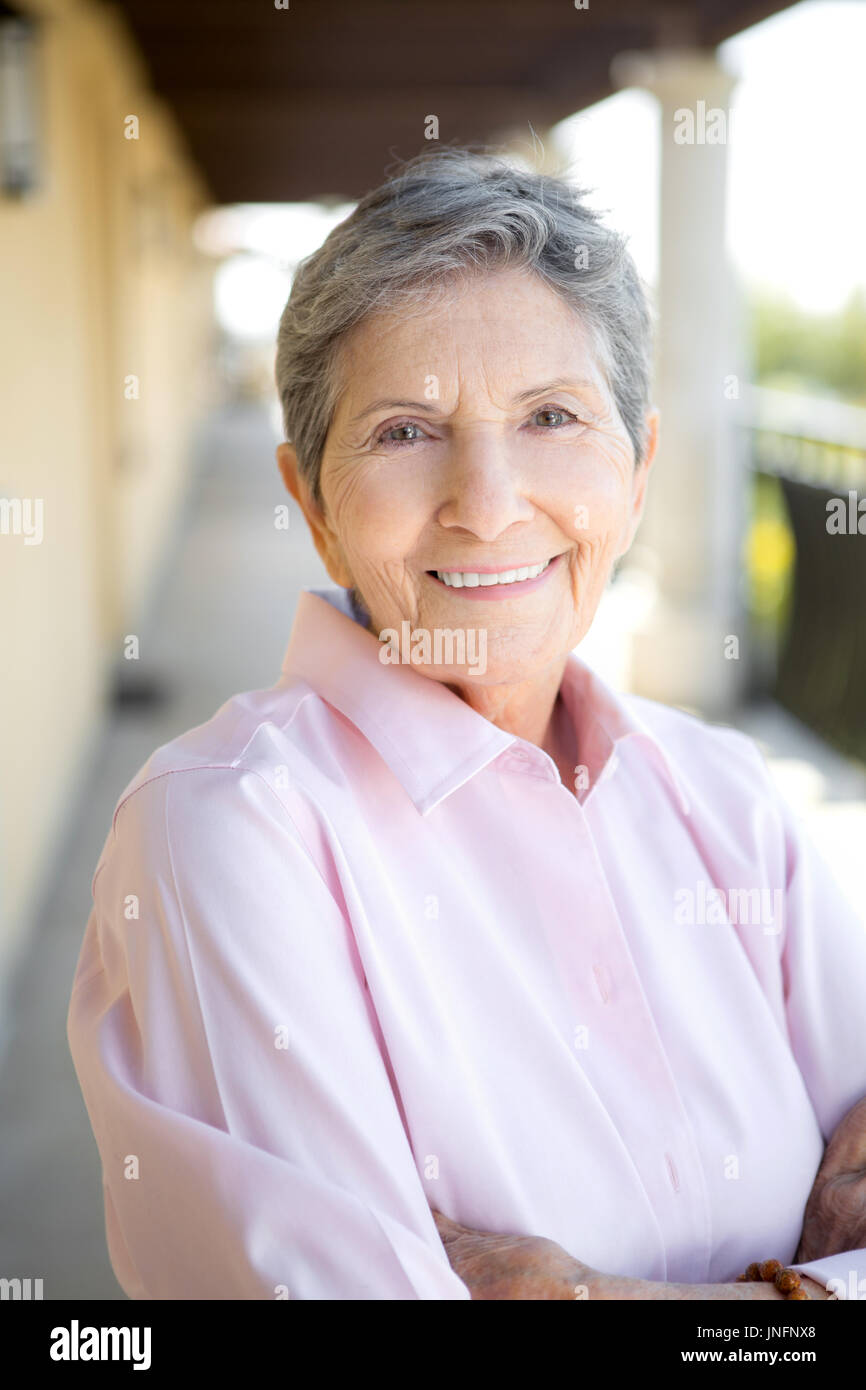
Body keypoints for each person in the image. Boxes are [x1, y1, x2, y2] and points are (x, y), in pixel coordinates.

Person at [67, 148, 866, 1300]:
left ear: (634, 473)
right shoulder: (224, 835)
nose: (487, 503)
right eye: (402, 431)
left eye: (550, 414)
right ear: (312, 504)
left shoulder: (727, 797)